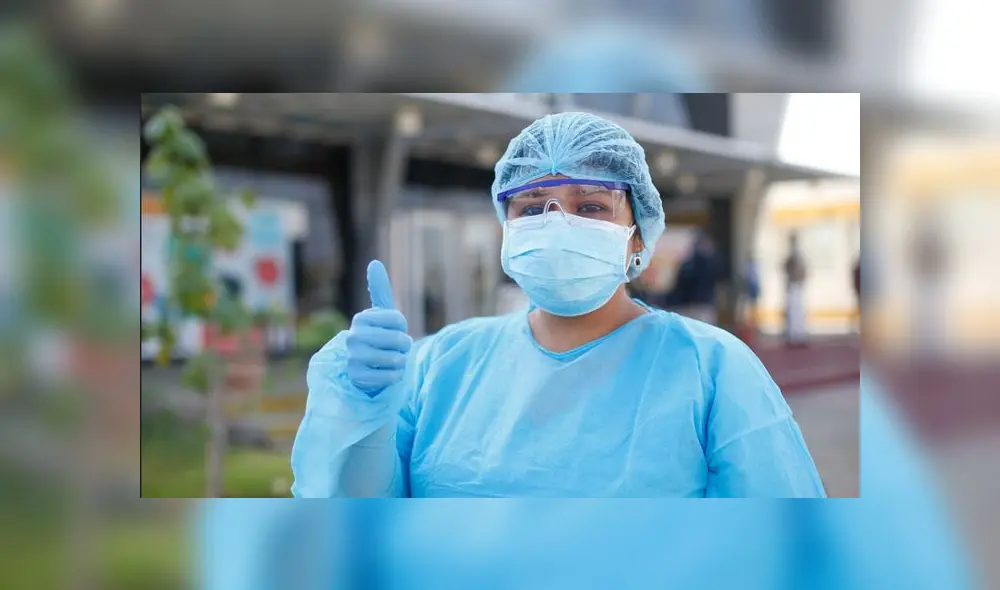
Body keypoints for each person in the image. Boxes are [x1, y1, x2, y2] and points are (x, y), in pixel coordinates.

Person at [291, 112, 825, 498]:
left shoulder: (712, 370)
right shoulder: (443, 365)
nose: (556, 226)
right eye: (530, 209)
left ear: (638, 235)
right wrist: (365, 410)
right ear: (506, 229)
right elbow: (362, 520)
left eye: (590, 207)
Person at [664, 232, 722, 324]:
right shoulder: (712, 263)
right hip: (703, 305)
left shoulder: (688, 264)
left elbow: (679, 285)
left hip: (690, 305)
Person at [783, 232, 808, 347]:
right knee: (793, 312)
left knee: (798, 312)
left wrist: (801, 279)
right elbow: (786, 268)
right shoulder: (791, 257)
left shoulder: (799, 256)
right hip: (792, 285)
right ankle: (793, 335)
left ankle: (799, 335)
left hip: (797, 285)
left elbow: (803, 270)